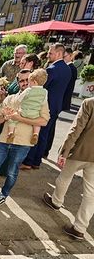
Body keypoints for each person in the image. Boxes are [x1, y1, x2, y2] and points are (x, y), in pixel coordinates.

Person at [0, 74, 49, 207]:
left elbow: (44, 121)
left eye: (27, 80)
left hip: (23, 143)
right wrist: (5, 117)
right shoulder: (10, 98)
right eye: (22, 80)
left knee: (12, 172)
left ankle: (3, 195)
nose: (24, 83)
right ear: (18, 82)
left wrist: (21, 119)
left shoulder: (40, 99)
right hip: (3, 140)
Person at [43, 96, 94, 240]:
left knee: (65, 177)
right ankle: (79, 228)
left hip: (79, 151)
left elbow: (77, 128)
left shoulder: (90, 103)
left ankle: (56, 201)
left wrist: (64, 151)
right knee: (91, 193)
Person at [21, 43, 72, 170]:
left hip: (45, 107)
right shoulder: (67, 69)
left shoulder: (51, 69)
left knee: (37, 133)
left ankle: (29, 161)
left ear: (59, 54)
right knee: (44, 135)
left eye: (50, 53)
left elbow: (41, 87)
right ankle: (36, 162)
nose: (48, 55)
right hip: (56, 107)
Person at [4, 68, 48, 145]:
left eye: (28, 81)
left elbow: (19, 99)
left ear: (34, 81)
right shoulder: (45, 91)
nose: (27, 84)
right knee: (37, 124)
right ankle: (35, 134)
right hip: (35, 113)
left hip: (24, 111)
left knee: (13, 118)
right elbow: (43, 101)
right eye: (22, 81)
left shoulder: (28, 90)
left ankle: (11, 132)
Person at [62, 47, 78, 112]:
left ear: (70, 55)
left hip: (63, 98)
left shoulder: (72, 69)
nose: (63, 58)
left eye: (64, 56)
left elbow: (69, 86)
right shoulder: (65, 67)